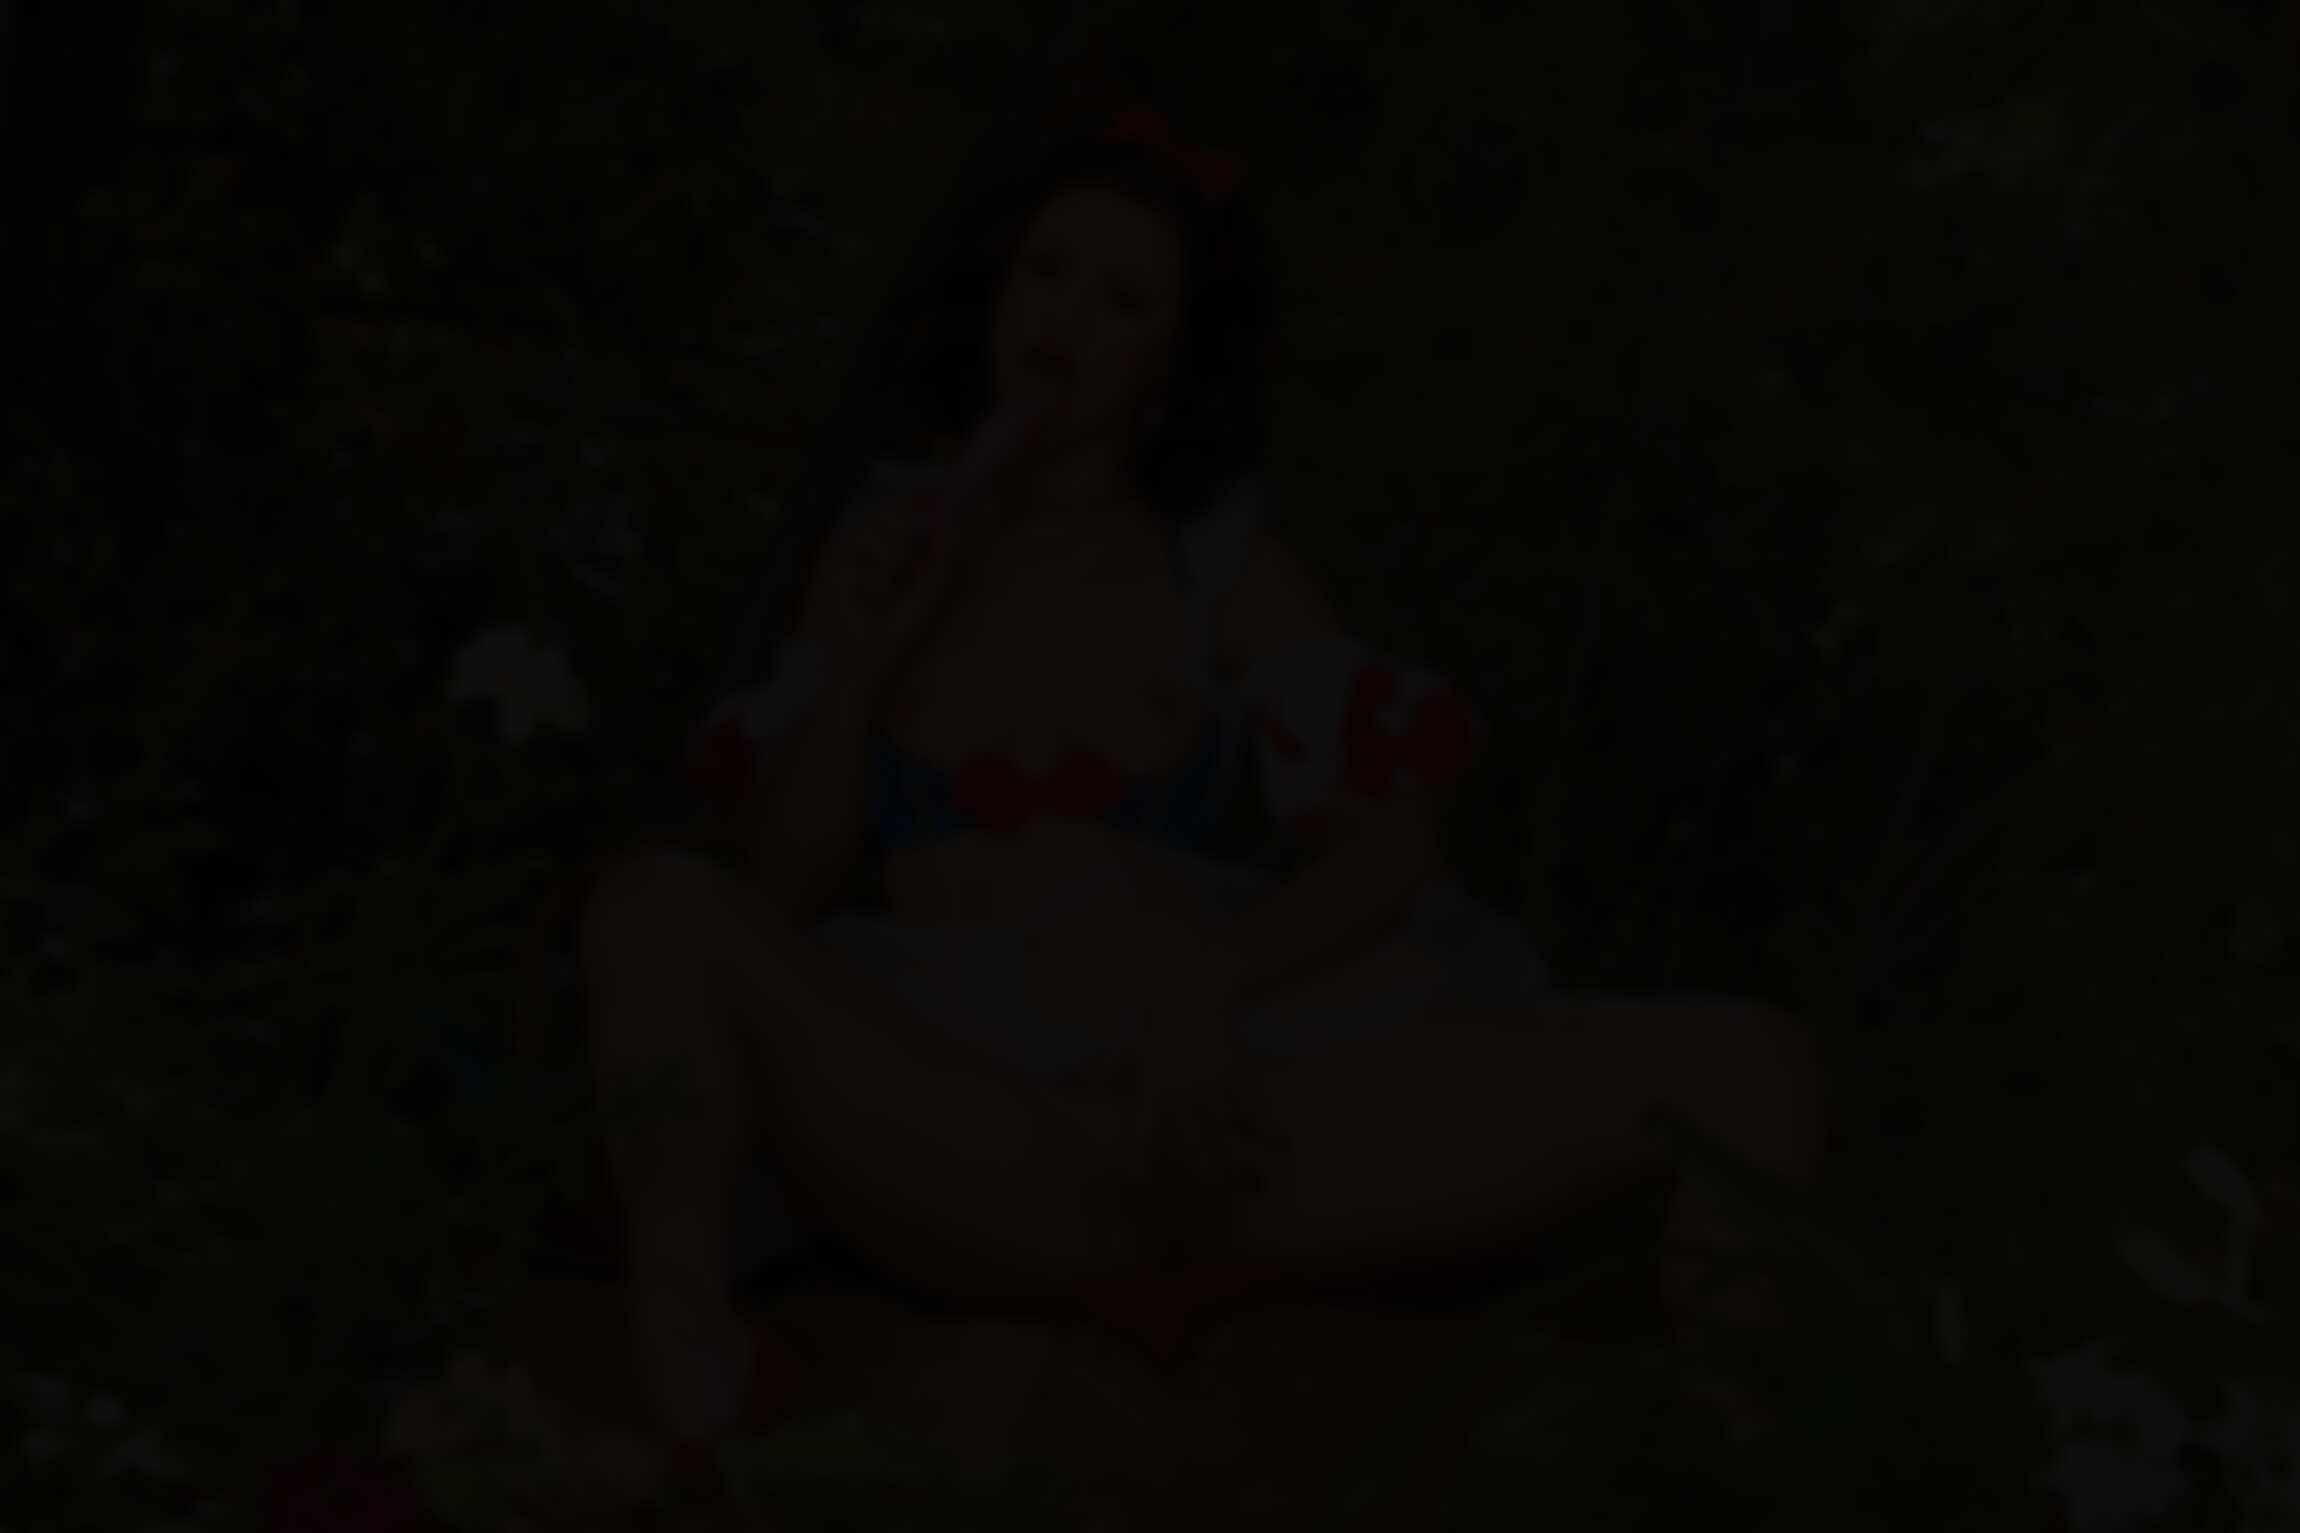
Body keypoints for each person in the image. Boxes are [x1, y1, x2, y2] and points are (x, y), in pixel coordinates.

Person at [573, 102, 1827, 1465]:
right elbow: (778, 885)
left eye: (1124, 300)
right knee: (654, 907)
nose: (1068, 319)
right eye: (1046, 273)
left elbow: (1390, 851)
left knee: (1747, 1068)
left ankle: (1745, 1474)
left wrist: (1205, 986)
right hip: (981, 1116)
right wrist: (866, 663)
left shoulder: (1213, 566)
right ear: (991, 296)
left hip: (1227, 1105)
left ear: (1167, 364)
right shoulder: (883, 543)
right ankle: (693, 1410)